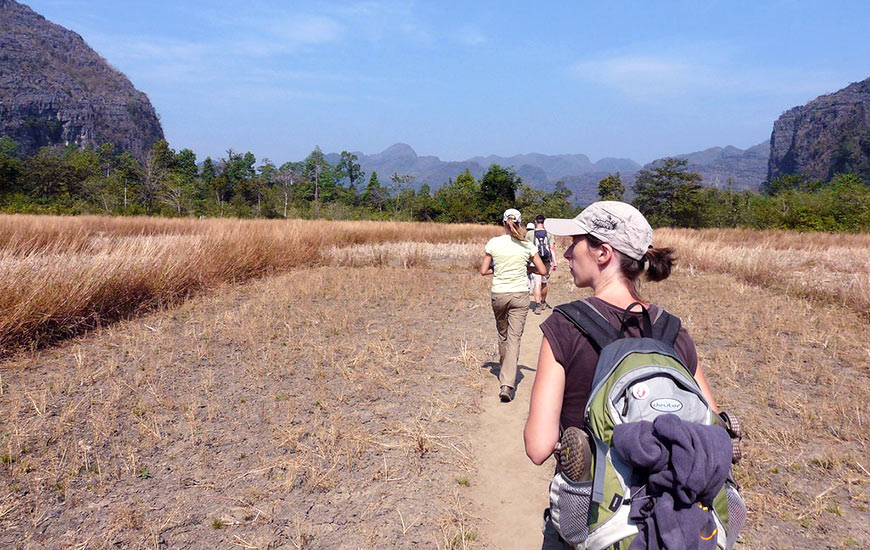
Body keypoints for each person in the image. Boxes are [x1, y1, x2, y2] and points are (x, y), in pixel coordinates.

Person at [521, 201, 720, 548]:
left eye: (576, 242)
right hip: (668, 524)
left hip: (592, 527)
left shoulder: (565, 326)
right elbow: (711, 425)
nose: (567, 254)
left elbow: (538, 447)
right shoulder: (673, 332)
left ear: (603, 253)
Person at [480, 209, 547, 402]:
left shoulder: (494, 243)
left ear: (503, 223)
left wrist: (499, 268)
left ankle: (505, 370)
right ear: (519, 223)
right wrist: (526, 267)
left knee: (503, 335)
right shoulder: (527, 245)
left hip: (499, 294)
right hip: (519, 295)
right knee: (514, 339)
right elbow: (542, 270)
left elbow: (484, 270)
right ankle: (507, 384)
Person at [525, 215, 558, 314]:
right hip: (546, 261)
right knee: (544, 283)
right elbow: (552, 248)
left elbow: (527, 248)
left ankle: (538, 304)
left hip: (535, 260)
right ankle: (543, 302)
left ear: (535, 222)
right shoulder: (549, 233)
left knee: (537, 283)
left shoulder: (530, 234)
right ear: (544, 222)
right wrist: (554, 262)